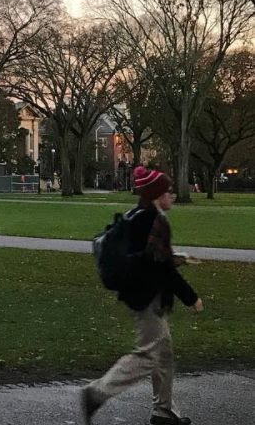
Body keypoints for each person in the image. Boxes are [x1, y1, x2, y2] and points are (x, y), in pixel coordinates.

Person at [80, 166, 204, 425]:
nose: (172, 196)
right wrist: (191, 297)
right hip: (149, 298)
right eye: (169, 191)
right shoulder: (155, 221)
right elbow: (161, 268)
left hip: (141, 293)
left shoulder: (138, 216)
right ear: (158, 195)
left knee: (164, 353)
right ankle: (96, 393)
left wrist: (174, 258)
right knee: (148, 355)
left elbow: (148, 259)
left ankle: (163, 411)